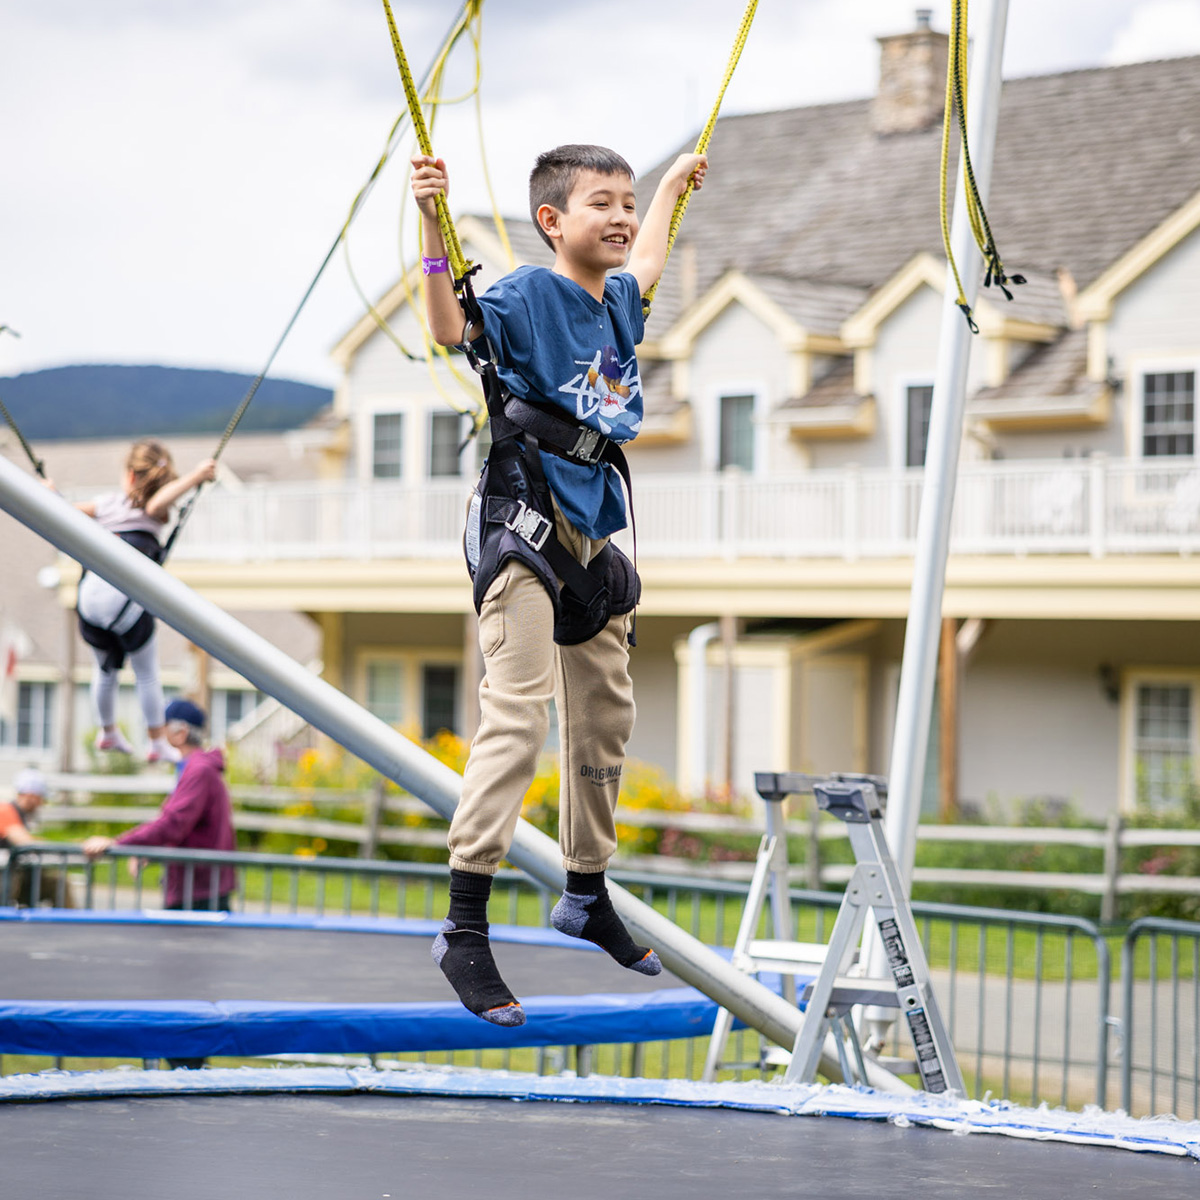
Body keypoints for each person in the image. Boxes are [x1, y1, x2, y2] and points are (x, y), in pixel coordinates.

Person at [411, 143, 708, 1025]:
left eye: (623, 204)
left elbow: (647, 260)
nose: (618, 219)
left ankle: (586, 890)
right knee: (518, 712)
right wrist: (431, 219)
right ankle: (464, 928)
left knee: (606, 718)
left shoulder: (617, 298)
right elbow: (444, 326)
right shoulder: (523, 296)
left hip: (594, 530)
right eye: (600, 205)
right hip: (523, 524)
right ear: (553, 222)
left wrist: (665, 192)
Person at [71, 439, 216, 762]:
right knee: (146, 672)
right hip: (120, 601)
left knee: (105, 669)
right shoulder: (154, 512)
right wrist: (195, 477)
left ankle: (107, 732)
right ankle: (157, 741)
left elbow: (62, 511)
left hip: (89, 600)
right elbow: (153, 506)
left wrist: (47, 491)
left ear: (130, 475)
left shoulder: (108, 503)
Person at [82, 698, 236, 911]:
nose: (154, 733)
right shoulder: (194, 768)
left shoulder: (198, 770)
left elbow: (174, 822)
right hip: (199, 885)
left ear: (180, 733)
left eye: (160, 727)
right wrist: (150, 850)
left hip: (198, 890)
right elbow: (185, 824)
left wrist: (118, 843)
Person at [0, 767, 72, 906]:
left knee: (57, 884)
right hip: (5, 880)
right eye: (41, 797)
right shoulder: (5, 811)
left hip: (11, 877)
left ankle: (73, 924)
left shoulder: (19, 815)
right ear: (32, 795)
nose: (42, 803)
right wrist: (64, 848)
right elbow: (25, 842)